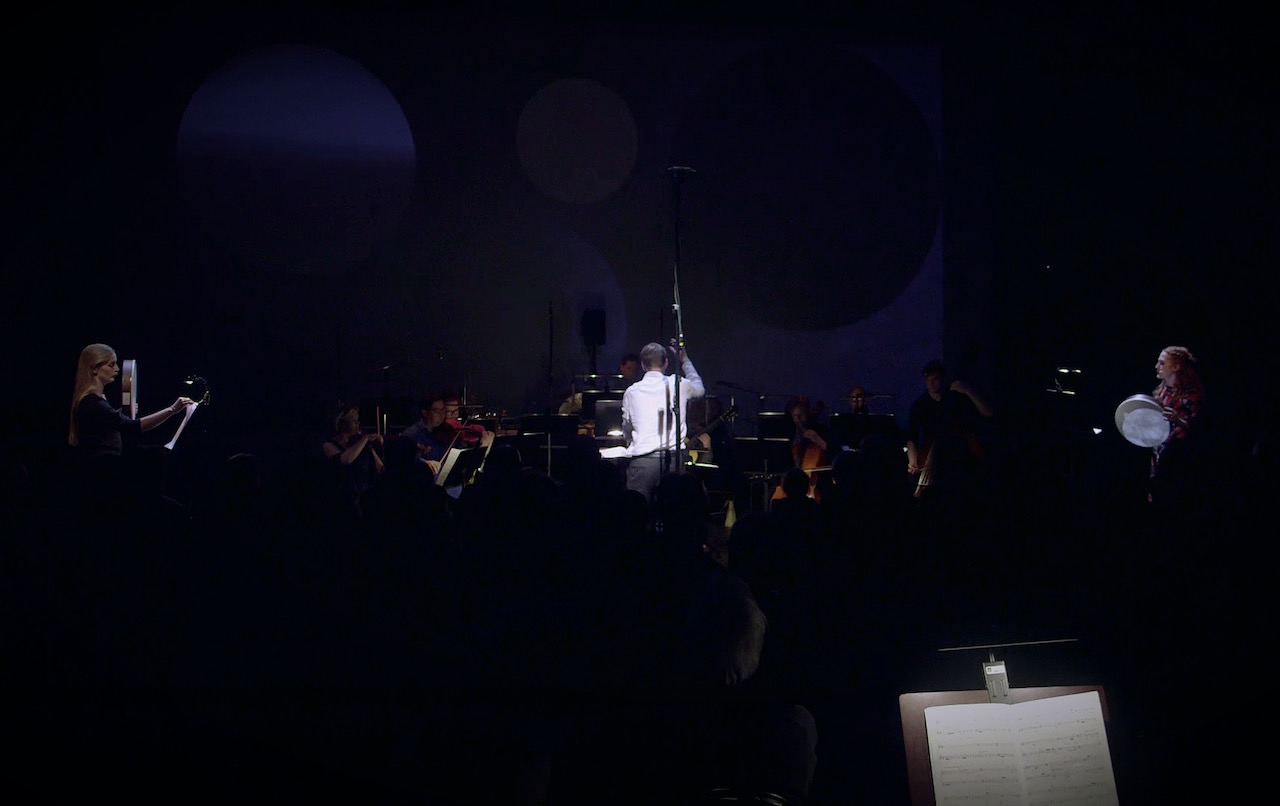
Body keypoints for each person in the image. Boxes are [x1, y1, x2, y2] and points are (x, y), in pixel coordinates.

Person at [609, 340, 705, 503]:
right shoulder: (678, 384)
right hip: (674, 461)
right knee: (673, 511)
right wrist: (685, 360)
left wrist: (632, 442)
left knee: (638, 509)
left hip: (643, 461)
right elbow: (699, 389)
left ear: (643, 365)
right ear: (666, 363)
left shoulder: (632, 392)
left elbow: (627, 426)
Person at [68, 343, 195, 460]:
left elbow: (107, 424)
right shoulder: (92, 402)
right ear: (95, 369)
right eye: (111, 365)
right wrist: (172, 409)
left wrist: (119, 414)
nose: (117, 369)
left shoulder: (97, 400)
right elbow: (133, 427)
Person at [904, 359, 992, 502]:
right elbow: (911, 437)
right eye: (928, 380)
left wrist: (966, 390)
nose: (931, 384)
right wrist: (912, 460)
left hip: (958, 455)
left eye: (935, 379)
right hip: (932, 458)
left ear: (942, 378)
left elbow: (987, 413)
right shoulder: (920, 405)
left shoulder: (956, 398)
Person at [1149, 345, 1205, 506]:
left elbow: (1199, 431)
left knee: (1174, 500)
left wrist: (1177, 420)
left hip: (1179, 457)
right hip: (1159, 453)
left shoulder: (1192, 396)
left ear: (1176, 367)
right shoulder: (1162, 392)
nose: (1157, 366)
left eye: (1162, 363)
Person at [322, 403, 384, 515]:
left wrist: (371, 449)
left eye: (358, 420)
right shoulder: (328, 445)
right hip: (343, 505)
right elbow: (345, 460)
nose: (358, 424)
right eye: (354, 421)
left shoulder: (361, 446)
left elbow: (381, 469)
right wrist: (365, 439)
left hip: (365, 502)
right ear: (341, 424)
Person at [398, 394, 448, 473]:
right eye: (437, 411)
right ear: (425, 413)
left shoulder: (443, 432)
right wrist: (424, 464)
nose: (442, 414)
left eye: (443, 410)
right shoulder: (412, 434)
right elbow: (402, 459)